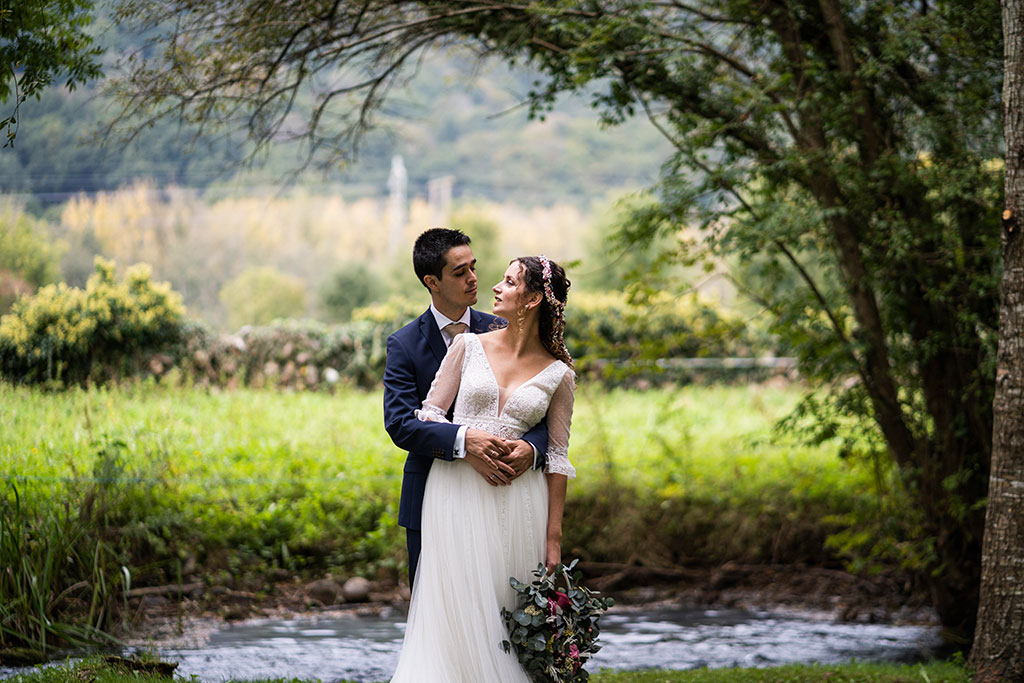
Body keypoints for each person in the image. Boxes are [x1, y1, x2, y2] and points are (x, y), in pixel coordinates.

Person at [390, 254, 576, 682]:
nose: (494, 286)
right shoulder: (467, 346)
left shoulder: (559, 374)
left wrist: (553, 540)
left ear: (531, 300)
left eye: (508, 282)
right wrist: (465, 442)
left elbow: (560, 456)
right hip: (455, 490)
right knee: (457, 604)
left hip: (519, 499)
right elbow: (428, 414)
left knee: (505, 604)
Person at [383, 229, 550, 589]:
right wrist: (463, 440)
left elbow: (543, 404)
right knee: (439, 614)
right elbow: (400, 424)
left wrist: (532, 447)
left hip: (503, 495)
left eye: (473, 267)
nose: (474, 279)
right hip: (431, 494)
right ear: (432, 282)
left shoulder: (504, 327)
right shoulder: (404, 344)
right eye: (460, 273)